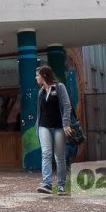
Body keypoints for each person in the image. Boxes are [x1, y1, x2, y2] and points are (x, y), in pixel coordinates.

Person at [35, 65, 72, 195]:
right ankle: (47, 184)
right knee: (46, 154)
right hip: (44, 126)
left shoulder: (59, 87)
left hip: (58, 127)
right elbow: (40, 111)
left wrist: (66, 124)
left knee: (59, 157)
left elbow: (67, 106)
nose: (36, 77)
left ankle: (61, 186)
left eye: (37, 75)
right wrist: (37, 127)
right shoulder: (41, 92)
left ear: (44, 75)